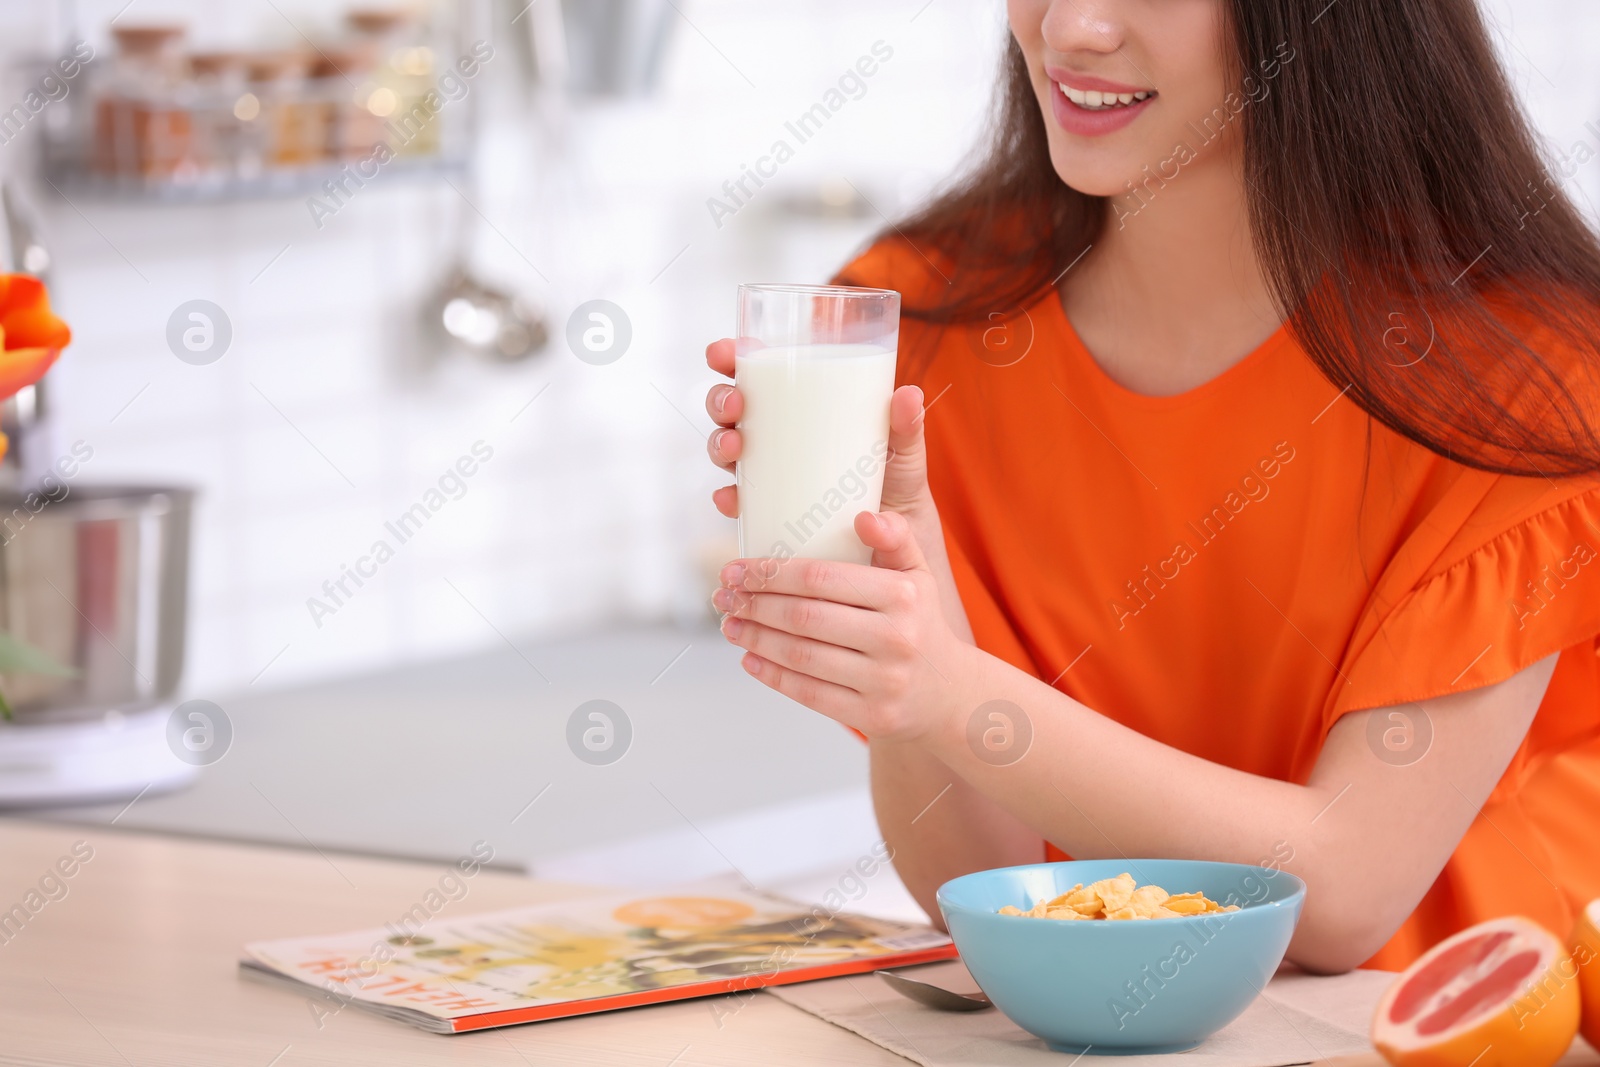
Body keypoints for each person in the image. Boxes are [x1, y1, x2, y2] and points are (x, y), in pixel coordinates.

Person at [702, 0, 1600, 972]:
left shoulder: (1518, 382)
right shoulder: (921, 323)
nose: (1073, 28)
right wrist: (912, 644)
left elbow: (1341, 897)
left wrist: (947, 687)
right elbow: (976, 880)